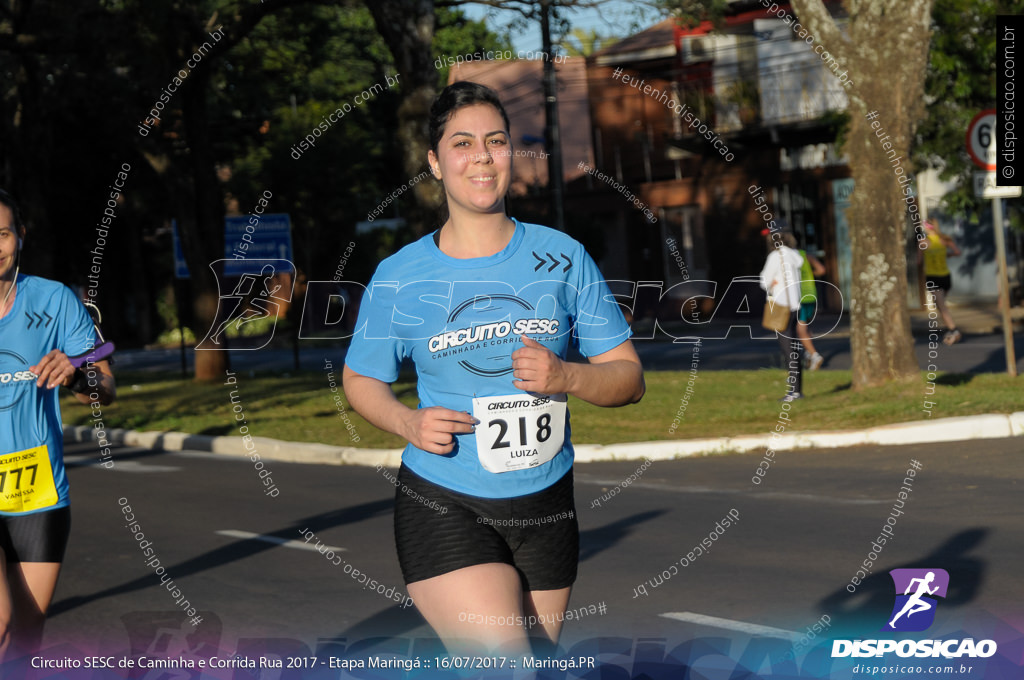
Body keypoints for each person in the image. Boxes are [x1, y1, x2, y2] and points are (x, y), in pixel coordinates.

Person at [342, 82, 645, 655]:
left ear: (510, 153)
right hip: (445, 497)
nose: (481, 156)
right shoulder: (400, 275)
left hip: (548, 500)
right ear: (434, 162)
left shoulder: (562, 256)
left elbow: (629, 378)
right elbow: (360, 379)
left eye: (495, 141)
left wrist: (567, 377)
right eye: (462, 143)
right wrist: (408, 423)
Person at [0, 189, 116, 662]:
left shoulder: (53, 299)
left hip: (36, 488)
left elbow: (105, 387)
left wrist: (75, 374)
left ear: (20, 236)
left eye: (2, 233)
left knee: (24, 643)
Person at [759, 227, 805, 401]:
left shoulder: (775, 257)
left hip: (781, 306)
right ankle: (798, 389)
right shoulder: (794, 255)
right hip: (794, 306)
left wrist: (771, 282)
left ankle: (793, 392)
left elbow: (764, 281)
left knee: (788, 350)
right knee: (794, 348)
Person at [918, 220, 961, 345]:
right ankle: (949, 330)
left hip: (933, 277)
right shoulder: (944, 239)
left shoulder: (923, 242)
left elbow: (918, 261)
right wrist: (948, 255)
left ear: (927, 228)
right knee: (940, 305)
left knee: (942, 306)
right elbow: (957, 252)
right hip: (946, 276)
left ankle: (954, 330)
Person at [796, 246, 827, 370]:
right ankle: (808, 352)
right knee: (806, 326)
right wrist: (810, 274)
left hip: (799, 296)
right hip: (811, 294)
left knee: (800, 328)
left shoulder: (790, 257)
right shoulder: (806, 256)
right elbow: (821, 270)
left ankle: (814, 355)